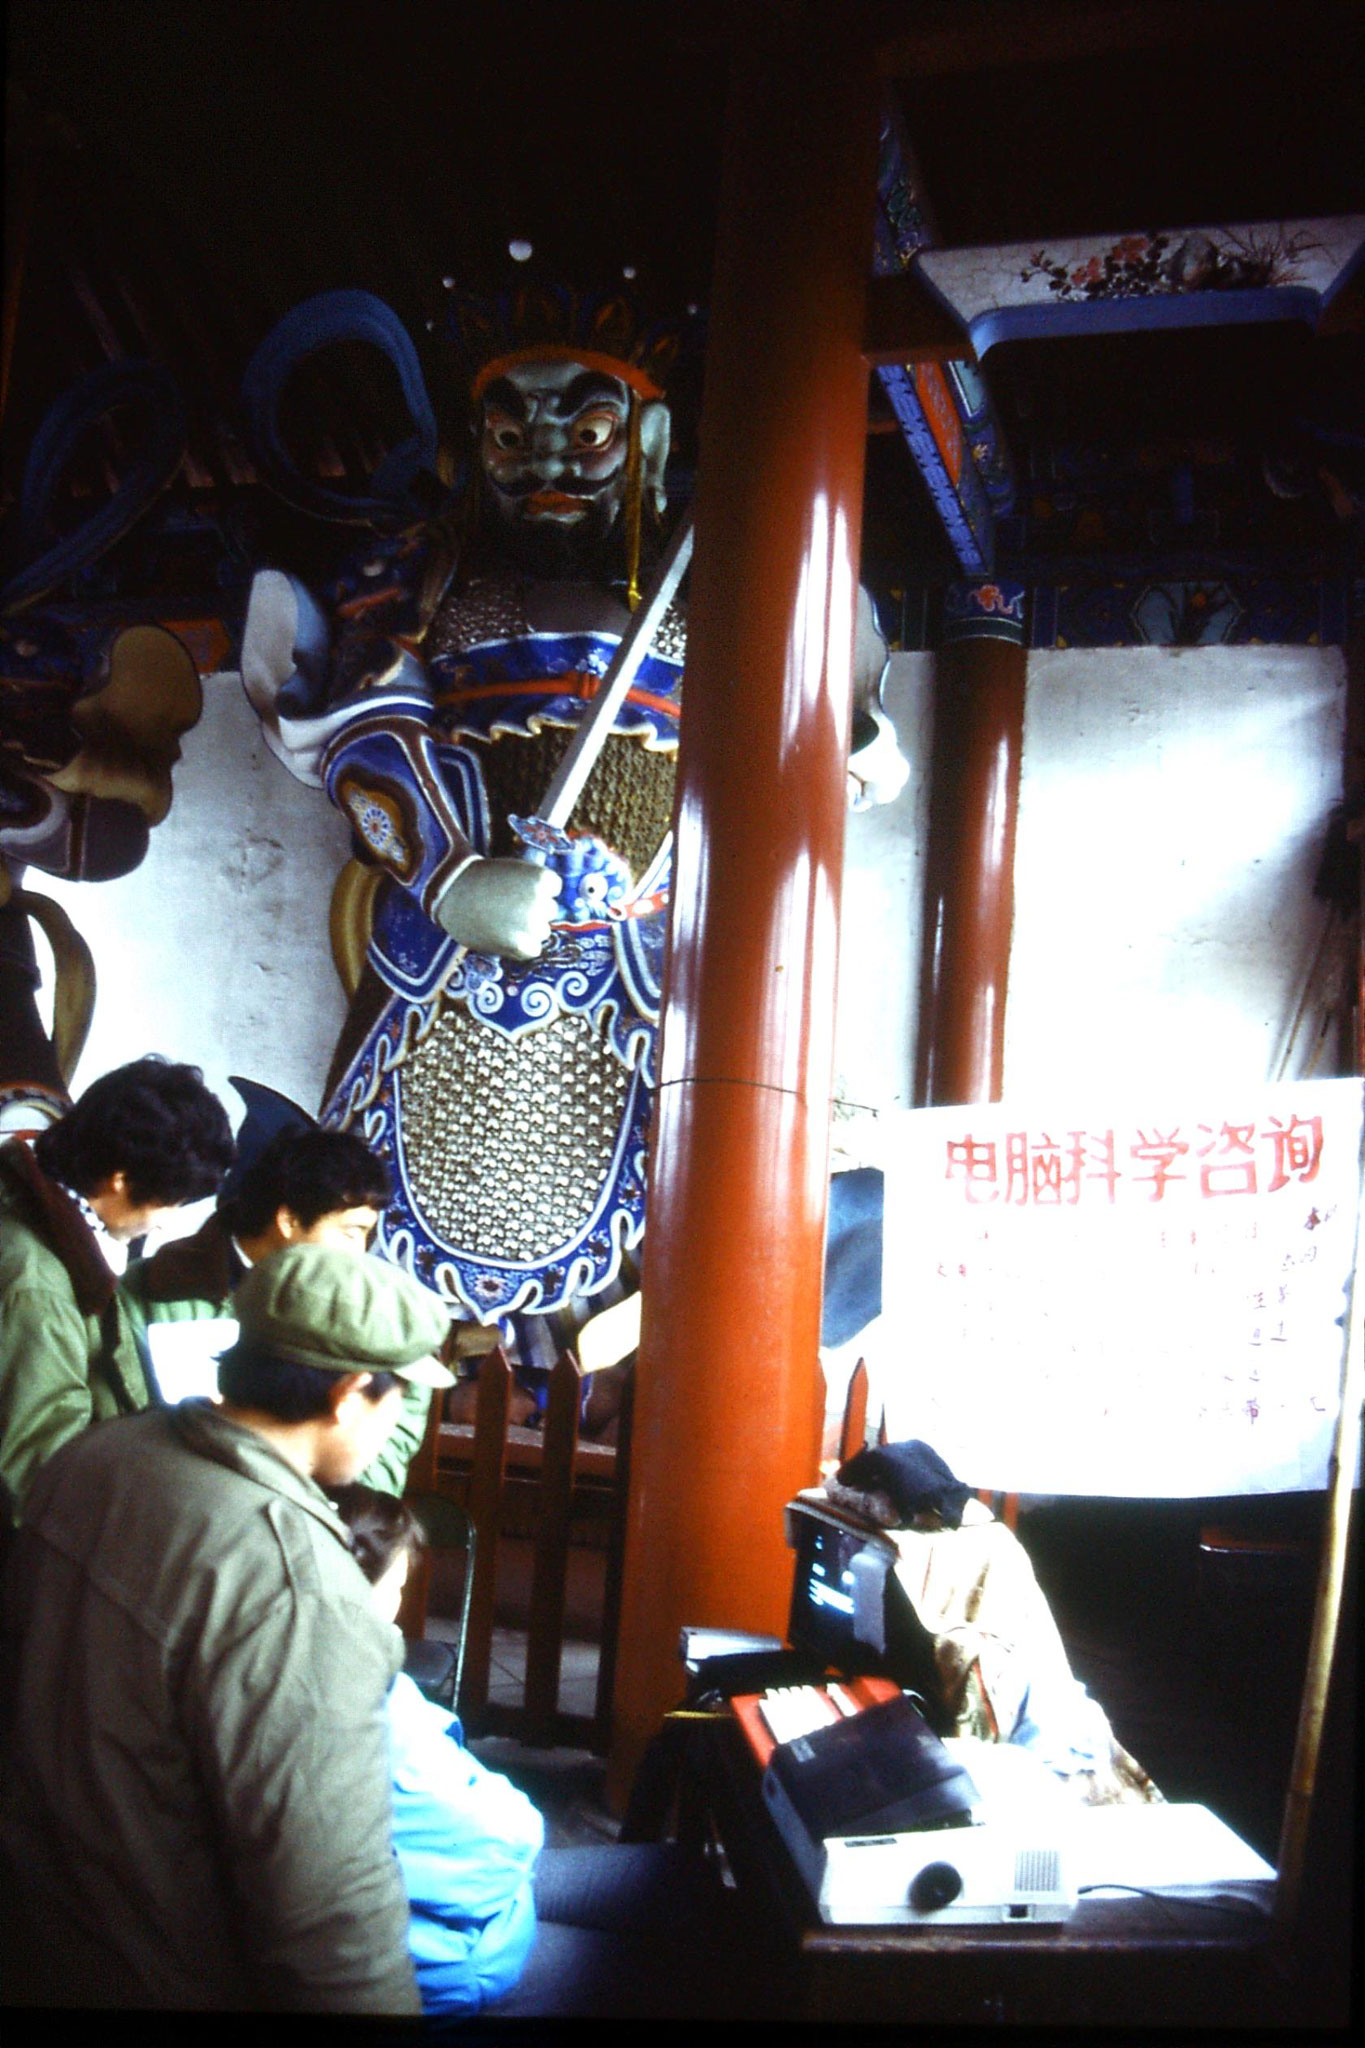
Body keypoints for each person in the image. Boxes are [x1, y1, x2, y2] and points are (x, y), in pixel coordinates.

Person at [0, 1241, 454, 2013]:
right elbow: (332, 1914)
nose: (401, 1420)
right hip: (164, 1973)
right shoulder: (297, 1588)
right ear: (347, 1395)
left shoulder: (98, 1456)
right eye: (399, 1397)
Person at [331, 1480, 792, 2023]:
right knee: (683, 1971)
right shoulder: (362, 1709)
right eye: (400, 1585)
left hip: (454, 1891)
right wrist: (490, 1802)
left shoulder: (354, 1664)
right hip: (450, 1956)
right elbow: (510, 1841)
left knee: (676, 1876)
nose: (401, 1604)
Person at [122, 1121, 431, 1495]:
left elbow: (386, 1458)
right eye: (351, 1232)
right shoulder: (150, 1292)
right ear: (287, 1221)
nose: (360, 1252)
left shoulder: (373, 1315)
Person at [330, 1482, 544, 2016]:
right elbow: (512, 1842)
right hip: (453, 1972)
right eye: (398, 1586)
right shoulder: (374, 1715)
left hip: (445, 1916)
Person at [0, 1054, 234, 1520]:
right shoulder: (37, 1282)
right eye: (173, 1202)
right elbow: (39, 1472)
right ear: (120, 1178)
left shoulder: (34, 1215)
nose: (166, 1226)